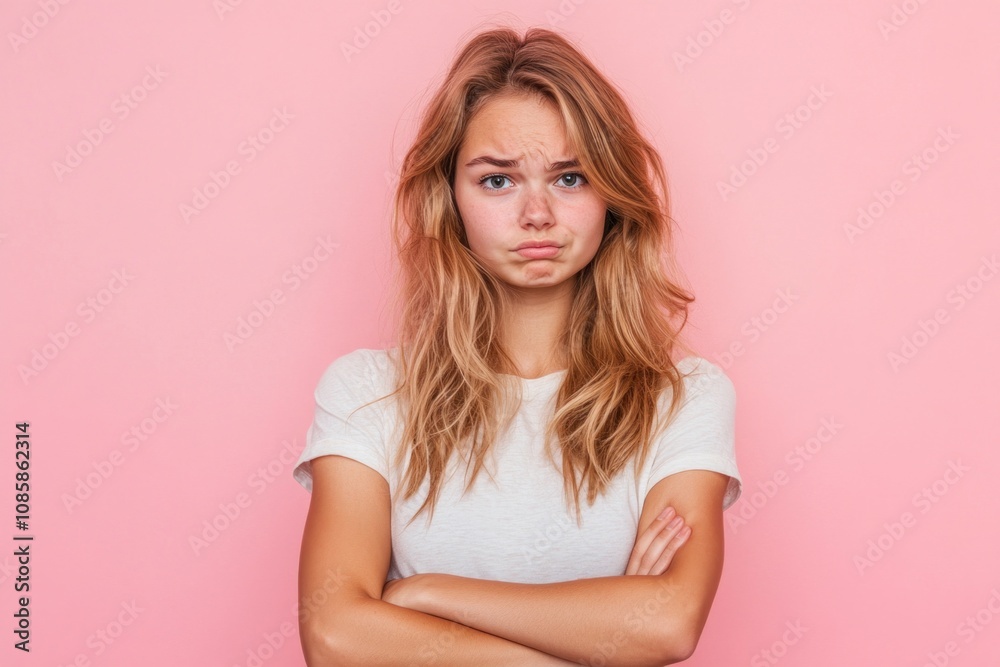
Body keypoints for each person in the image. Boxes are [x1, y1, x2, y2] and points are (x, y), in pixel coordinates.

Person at [293, 24, 742, 666]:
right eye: (497, 181)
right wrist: (593, 636)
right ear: (449, 198)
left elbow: (668, 623)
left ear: (612, 197)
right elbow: (336, 637)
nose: (537, 214)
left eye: (570, 178)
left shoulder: (683, 398)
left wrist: (424, 594)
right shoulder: (367, 393)